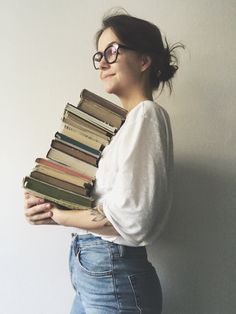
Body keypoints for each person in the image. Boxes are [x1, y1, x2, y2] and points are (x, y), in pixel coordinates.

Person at [24, 11, 184, 314]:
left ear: (144, 61)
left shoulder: (146, 116)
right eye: (100, 55)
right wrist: (47, 205)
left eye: (113, 51)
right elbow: (108, 206)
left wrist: (58, 216)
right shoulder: (124, 127)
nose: (103, 63)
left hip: (113, 275)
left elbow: (131, 217)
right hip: (97, 270)